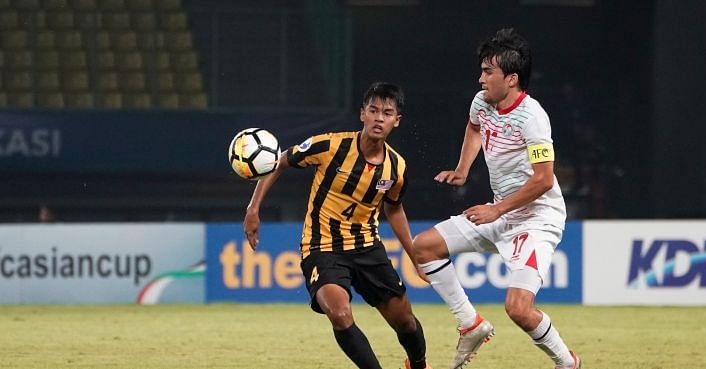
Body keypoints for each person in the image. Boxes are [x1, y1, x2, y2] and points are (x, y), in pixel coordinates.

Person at [412, 28, 581, 369]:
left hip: (536, 219)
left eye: (489, 71)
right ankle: (470, 324)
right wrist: (462, 170)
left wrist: (496, 210)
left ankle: (567, 362)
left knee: (518, 308)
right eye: (482, 69)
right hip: (500, 211)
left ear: (512, 78)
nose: (481, 78)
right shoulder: (482, 102)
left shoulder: (533, 117)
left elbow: (545, 179)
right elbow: (474, 127)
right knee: (423, 247)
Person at [243, 82, 430, 369]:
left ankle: (418, 363)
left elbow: (394, 209)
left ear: (396, 121)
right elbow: (279, 162)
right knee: (340, 313)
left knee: (404, 321)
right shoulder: (330, 145)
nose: (379, 118)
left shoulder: (397, 168)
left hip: (368, 248)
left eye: (387, 113)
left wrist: (415, 255)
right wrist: (253, 208)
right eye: (374, 110)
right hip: (322, 246)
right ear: (362, 114)